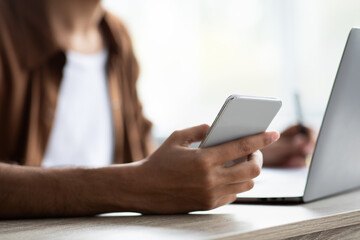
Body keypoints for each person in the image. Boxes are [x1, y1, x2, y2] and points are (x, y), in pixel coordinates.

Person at [0, 0, 314, 218]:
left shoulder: (115, 36)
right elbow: (136, 177)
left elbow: (139, 150)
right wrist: (132, 187)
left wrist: (232, 153)